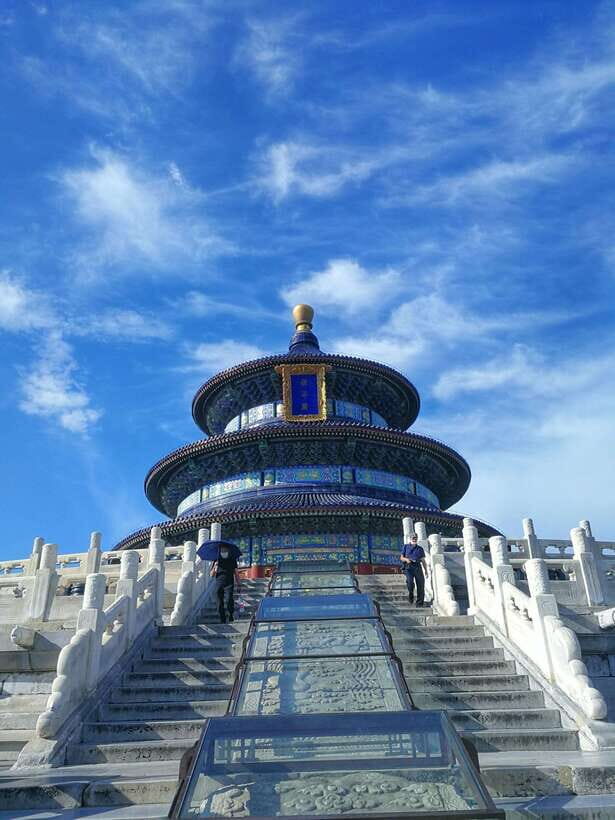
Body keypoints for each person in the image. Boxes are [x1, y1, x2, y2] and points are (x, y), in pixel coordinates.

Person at [210, 546, 239, 623]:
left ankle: (230, 614)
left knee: (229, 599)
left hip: (229, 583)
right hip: (219, 583)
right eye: (222, 551)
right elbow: (211, 575)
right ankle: (222, 618)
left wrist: (239, 584)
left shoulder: (232, 560)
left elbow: (236, 573)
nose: (224, 552)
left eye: (225, 550)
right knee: (219, 602)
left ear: (228, 551)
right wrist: (215, 567)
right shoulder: (216, 560)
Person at [400, 533, 428, 607]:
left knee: (421, 584)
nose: (414, 539)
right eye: (413, 538)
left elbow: (423, 561)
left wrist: (426, 570)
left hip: (417, 567)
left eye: (415, 538)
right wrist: (406, 559)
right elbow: (401, 558)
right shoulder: (406, 546)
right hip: (408, 567)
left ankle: (419, 603)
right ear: (410, 538)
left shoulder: (420, 549)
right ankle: (411, 594)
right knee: (410, 582)